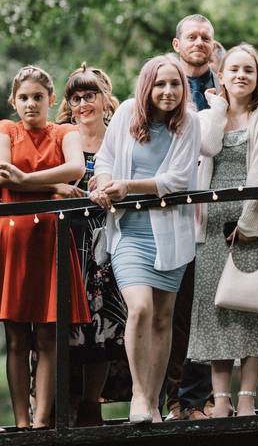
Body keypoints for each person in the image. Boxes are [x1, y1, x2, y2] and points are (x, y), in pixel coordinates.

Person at [91, 55, 202, 423]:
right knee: (140, 309)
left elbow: (178, 180)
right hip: (129, 232)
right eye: (160, 84)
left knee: (163, 318)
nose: (168, 91)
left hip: (171, 234)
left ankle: (153, 402)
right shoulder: (126, 113)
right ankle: (139, 395)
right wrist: (105, 183)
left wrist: (128, 186)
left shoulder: (189, 123)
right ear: (147, 86)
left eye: (175, 84)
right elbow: (105, 158)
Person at [188, 44, 258, 418]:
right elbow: (208, 146)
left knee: (251, 305)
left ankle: (247, 397)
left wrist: (248, 225)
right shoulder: (206, 116)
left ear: (257, 77)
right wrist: (217, 107)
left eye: (248, 70)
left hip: (251, 224)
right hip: (211, 226)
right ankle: (220, 399)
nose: (241, 76)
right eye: (234, 70)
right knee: (218, 310)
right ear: (221, 75)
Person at [0, 66, 88, 429]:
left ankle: (41, 422)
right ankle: (21, 421)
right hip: (14, 242)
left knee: (49, 334)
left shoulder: (65, 132)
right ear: (14, 101)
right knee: (16, 336)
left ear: (51, 99)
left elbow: (76, 168)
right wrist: (53, 187)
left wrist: (26, 179)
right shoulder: (6, 129)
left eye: (38, 97)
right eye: (23, 98)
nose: (30, 104)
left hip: (51, 240)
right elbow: (3, 173)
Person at [56, 65, 125, 427]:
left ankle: (90, 403)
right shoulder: (61, 137)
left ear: (103, 99)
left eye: (89, 96)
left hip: (107, 238)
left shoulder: (118, 137)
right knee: (64, 322)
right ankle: (59, 404)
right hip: (67, 240)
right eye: (76, 98)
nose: (83, 103)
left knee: (104, 324)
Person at [165, 12, 218, 421]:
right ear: (177, 44)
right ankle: (171, 397)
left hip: (215, 211)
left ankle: (200, 398)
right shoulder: (163, 86)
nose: (199, 43)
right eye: (192, 37)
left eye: (206, 38)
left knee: (208, 308)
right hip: (172, 210)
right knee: (172, 307)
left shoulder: (227, 85)